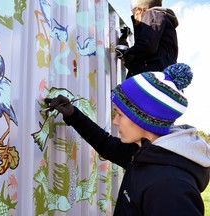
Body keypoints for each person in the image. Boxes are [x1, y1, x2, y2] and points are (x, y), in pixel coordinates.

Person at [44, 63, 210, 216]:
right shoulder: (144, 151)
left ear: (144, 119)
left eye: (120, 115)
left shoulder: (170, 188)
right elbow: (106, 144)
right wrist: (74, 114)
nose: (115, 121)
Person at [115, 0, 179, 79]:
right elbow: (140, 58)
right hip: (160, 78)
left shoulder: (153, 14)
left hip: (151, 79)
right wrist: (124, 40)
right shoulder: (160, 18)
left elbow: (147, 45)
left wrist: (128, 52)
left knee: (120, 91)